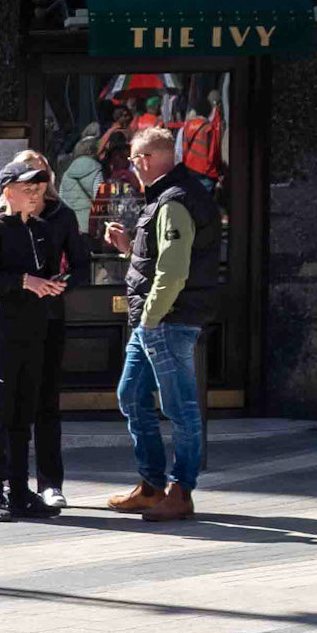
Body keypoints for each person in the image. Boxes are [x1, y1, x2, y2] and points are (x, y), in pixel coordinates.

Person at [103, 125, 219, 522]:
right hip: (154, 321)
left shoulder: (174, 201)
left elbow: (173, 272)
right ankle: (151, 487)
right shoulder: (166, 197)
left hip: (166, 321)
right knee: (131, 396)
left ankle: (180, 490)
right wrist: (126, 250)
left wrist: (151, 320)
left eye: (134, 160)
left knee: (180, 407)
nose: (132, 167)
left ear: (146, 160)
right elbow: (159, 262)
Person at [0, 161, 67, 523]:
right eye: (27, 186)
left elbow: (43, 274)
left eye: (39, 186)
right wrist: (24, 281)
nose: (34, 192)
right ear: (7, 190)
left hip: (35, 331)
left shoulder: (40, 229)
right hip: (5, 335)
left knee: (23, 415)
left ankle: (18, 490)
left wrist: (53, 283)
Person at [3, 150, 89, 511]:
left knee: (46, 401)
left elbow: (82, 265)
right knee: (11, 405)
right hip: (10, 320)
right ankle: (12, 483)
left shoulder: (62, 215)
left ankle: (51, 482)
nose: (36, 187)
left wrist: (61, 283)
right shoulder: (1, 219)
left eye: (41, 178)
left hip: (50, 316)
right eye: (29, 180)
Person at [57, 123, 102, 220]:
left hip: (71, 220)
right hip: (88, 220)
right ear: (93, 152)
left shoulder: (67, 173)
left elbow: (61, 197)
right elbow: (99, 197)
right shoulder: (96, 172)